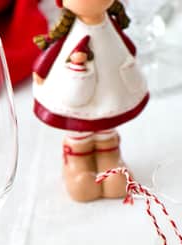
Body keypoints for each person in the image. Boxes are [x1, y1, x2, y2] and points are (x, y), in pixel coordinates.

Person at [33, 0, 148, 202]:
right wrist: (41, 70)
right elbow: (52, 50)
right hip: (73, 89)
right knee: (79, 128)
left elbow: (127, 45)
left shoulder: (110, 26)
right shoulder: (71, 31)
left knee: (107, 124)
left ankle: (110, 158)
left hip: (110, 89)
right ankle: (78, 162)